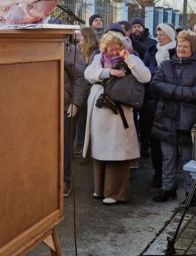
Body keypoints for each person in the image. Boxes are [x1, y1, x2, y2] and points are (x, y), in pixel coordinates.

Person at [83, 31, 151, 205]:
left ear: (123, 47)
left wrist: (129, 60)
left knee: (117, 152)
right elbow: (88, 74)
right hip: (100, 111)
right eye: (110, 49)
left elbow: (145, 77)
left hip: (118, 113)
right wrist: (108, 72)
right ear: (104, 49)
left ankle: (116, 193)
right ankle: (100, 189)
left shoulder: (132, 59)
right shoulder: (98, 58)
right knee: (100, 150)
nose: (113, 52)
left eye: (117, 49)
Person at [151, 31, 196, 205]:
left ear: (192, 48)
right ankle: (167, 188)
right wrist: (181, 92)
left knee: (187, 158)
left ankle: (189, 192)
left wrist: (172, 91)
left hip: (189, 119)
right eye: (179, 45)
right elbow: (155, 85)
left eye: (185, 46)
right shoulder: (166, 65)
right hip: (166, 117)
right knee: (168, 156)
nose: (181, 49)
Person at [142, 22, 177, 188]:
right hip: (151, 102)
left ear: (170, 35)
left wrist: (156, 72)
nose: (159, 37)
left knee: (170, 144)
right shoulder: (152, 51)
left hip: (170, 104)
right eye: (158, 34)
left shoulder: (176, 51)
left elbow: (176, 74)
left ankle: (169, 178)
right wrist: (161, 71)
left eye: (162, 34)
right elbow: (144, 71)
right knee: (154, 142)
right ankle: (157, 174)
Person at [62, 33, 91, 197]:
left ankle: (64, 180)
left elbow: (81, 77)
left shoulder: (70, 51)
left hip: (65, 106)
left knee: (65, 145)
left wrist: (76, 103)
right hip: (42, 108)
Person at [73, 27, 100, 156]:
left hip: (88, 91)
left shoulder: (95, 52)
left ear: (87, 37)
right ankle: (79, 145)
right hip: (81, 89)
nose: (78, 38)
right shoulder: (78, 50)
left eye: (80, 36)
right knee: (78, 120)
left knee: (83, 120)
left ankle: (82, 146)